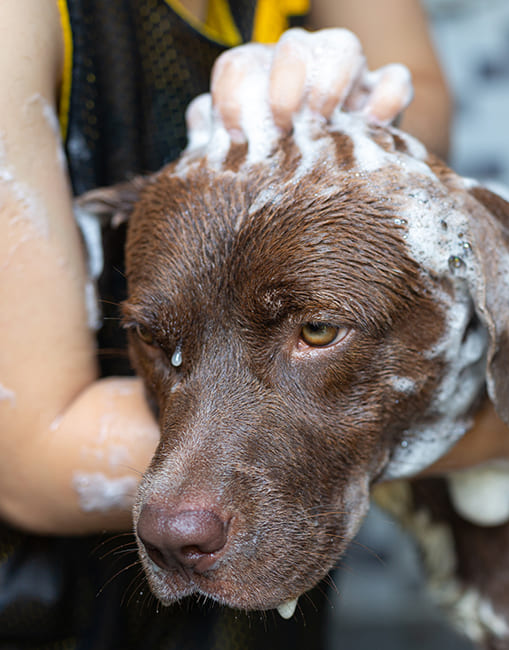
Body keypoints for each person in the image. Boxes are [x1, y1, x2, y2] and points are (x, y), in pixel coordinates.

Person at [0, 1, 450, 647]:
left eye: (317, 330)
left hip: (264, 601)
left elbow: (425, 98)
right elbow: (29, 461)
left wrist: (356, 124)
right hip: (44, 608)